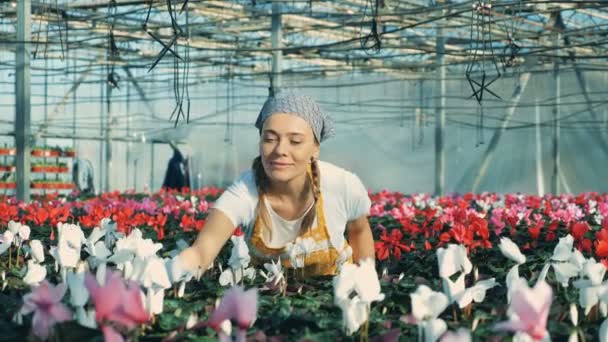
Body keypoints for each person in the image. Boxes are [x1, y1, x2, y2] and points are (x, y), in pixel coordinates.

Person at [174, 91, 375, 278]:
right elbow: (202, 251)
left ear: (315, 149)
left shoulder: (341, 185)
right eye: (270, 139)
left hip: (336, 297)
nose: (280, 150)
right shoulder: (246, 190)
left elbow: (360, 231)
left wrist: (366, 282)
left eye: (295, 141)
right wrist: (167, 272)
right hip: (267, 302)